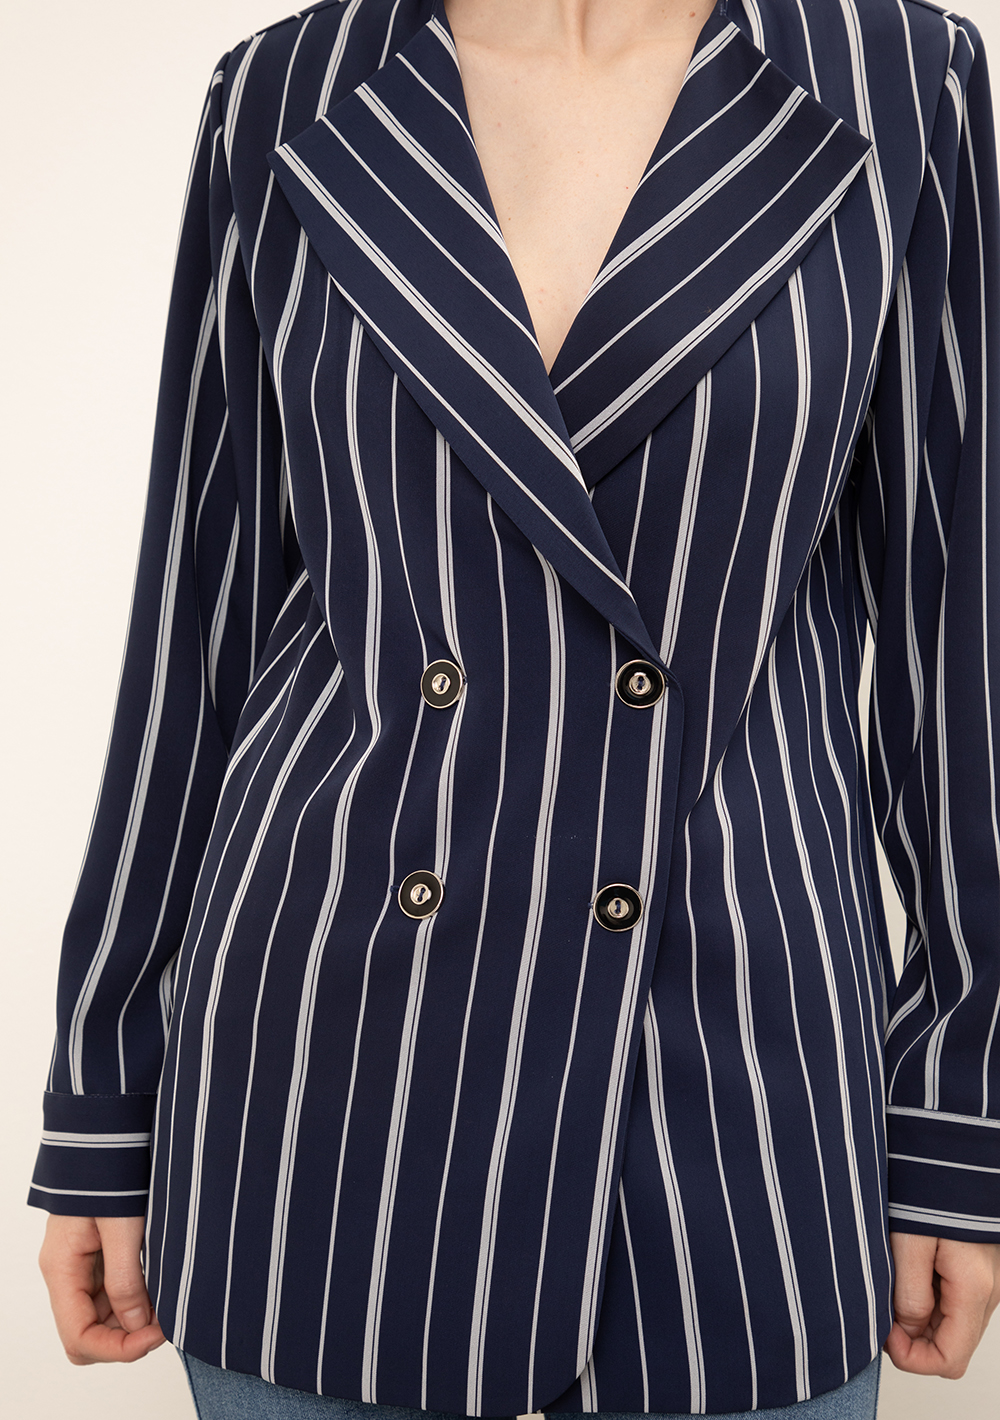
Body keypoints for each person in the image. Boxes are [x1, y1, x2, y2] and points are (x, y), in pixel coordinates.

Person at [28, 0, 1000, 1416]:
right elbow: (196, 627)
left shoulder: (898, 80)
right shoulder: (285, 91)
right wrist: (103, 1086)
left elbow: (956, 645)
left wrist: (963, 1106)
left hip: (736, 1065)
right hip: (328, 1077)